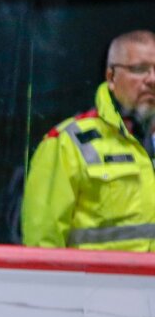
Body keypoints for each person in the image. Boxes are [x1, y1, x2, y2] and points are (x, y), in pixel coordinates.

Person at [22, 29, 155, 251]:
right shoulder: (67, 143)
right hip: (98, 275)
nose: (152, 80)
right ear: (111, 77)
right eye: (139, 69)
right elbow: (42, 245)